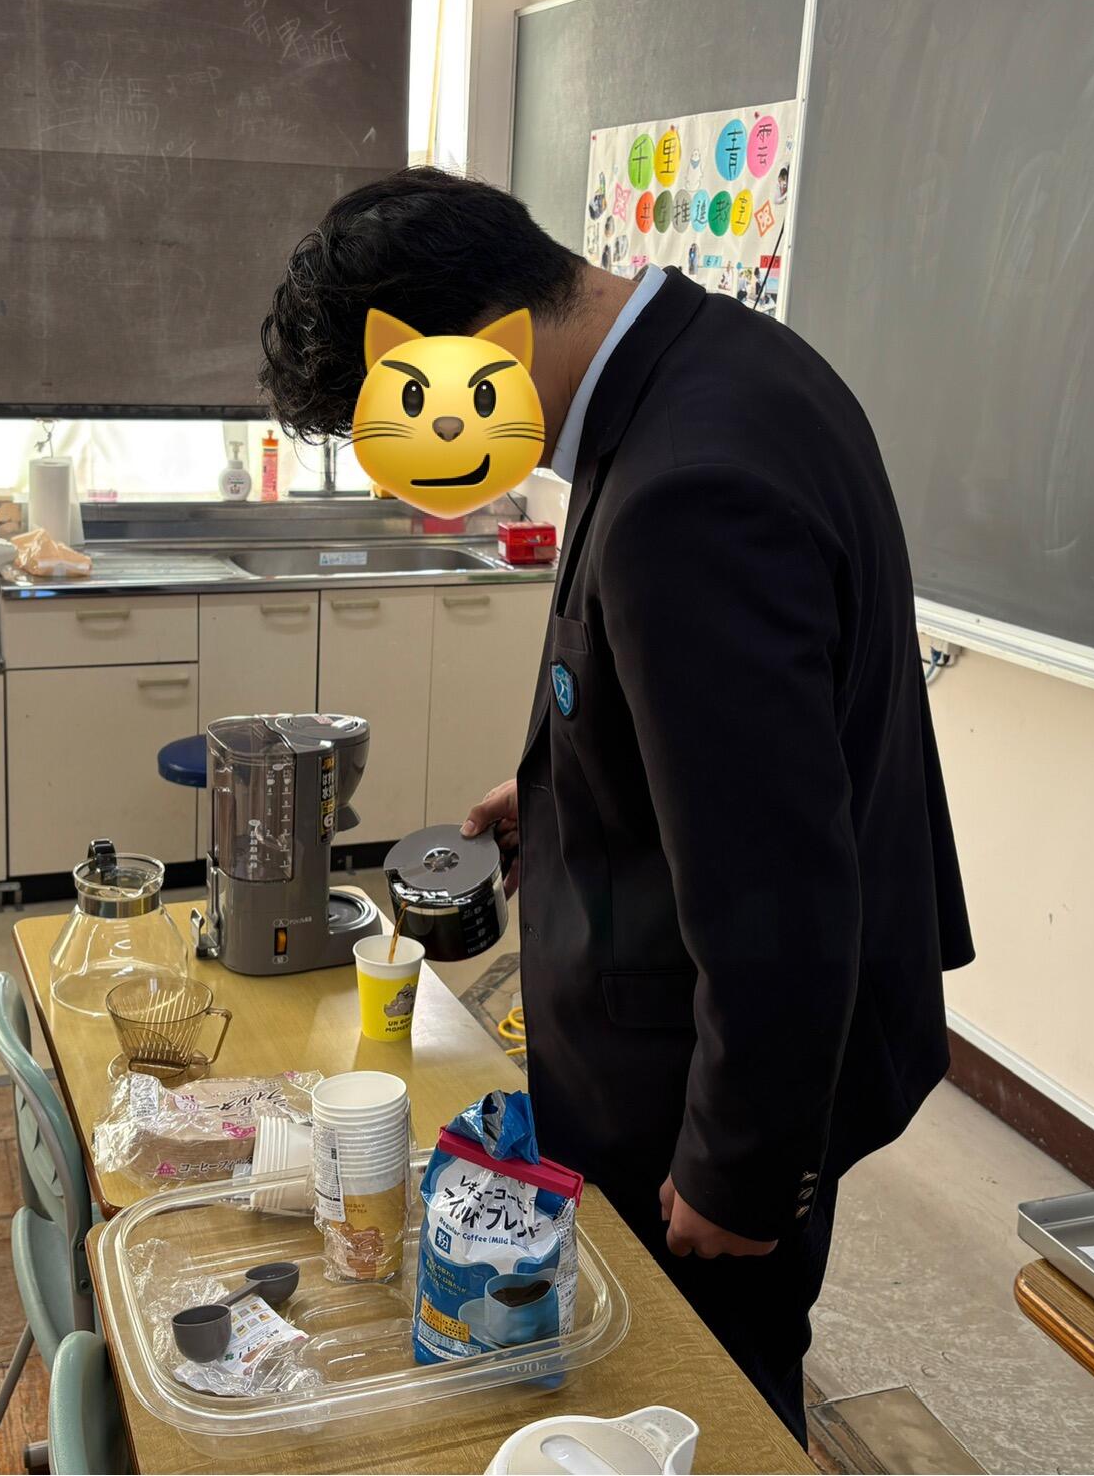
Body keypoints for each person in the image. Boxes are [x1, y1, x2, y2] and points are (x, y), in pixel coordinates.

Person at [256, 167, 973, 1446]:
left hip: (703, 1080)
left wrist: (736, 1169)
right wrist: (559, 790)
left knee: (705, 1393)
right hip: (715, 1016)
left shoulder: (689, 489)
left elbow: (778, 886)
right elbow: (732, 743)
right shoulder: (714, 363)